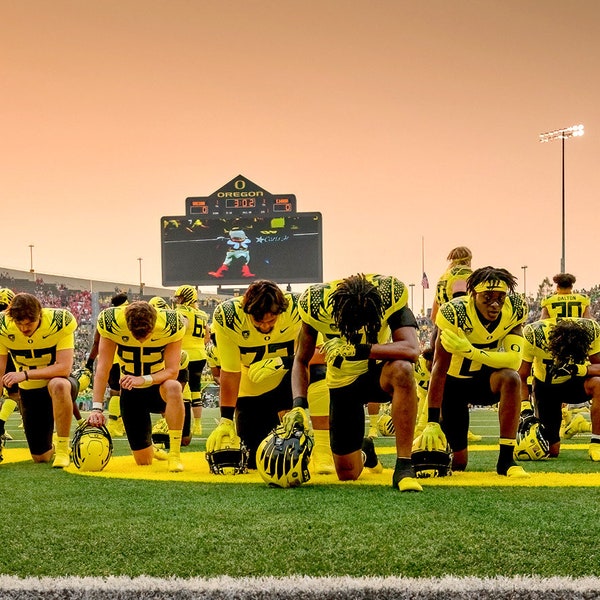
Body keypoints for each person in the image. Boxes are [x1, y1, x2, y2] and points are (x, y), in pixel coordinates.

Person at [291, 273, 423, 492]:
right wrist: (298, 405)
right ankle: (366, 451)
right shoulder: (314, 304)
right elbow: (301, 359)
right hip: (342, 382)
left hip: (377, 373)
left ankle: (404, 466)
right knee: (348, 473)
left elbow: (411, 349)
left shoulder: (389, 293)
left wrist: (359, 350)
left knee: (403, 370)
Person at [422, 267, 529, 477]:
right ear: (473, 295)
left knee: (511, 378)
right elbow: (439, 369)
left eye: (500, 298)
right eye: (487, 298)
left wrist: (470, 351)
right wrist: (432, 420)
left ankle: (506, 460)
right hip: (453, 384)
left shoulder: (514, 309)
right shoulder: (455, 312)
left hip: (483, 380)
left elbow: (514, 360)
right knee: (459, 462)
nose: (495, 304)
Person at [206, 280, 301, 469]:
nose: (265, 326)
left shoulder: (297, 309)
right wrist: (225, 418)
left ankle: (326, 445)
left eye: (271, 320)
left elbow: (320, 353)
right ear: (247, 311)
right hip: (252, 383)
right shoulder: (230, 316)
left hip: (291, 380)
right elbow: (231, 370)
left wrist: (284, 361)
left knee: (321, 373)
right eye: (259, 321)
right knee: (255, 460)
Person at [87, 301, 186, 472]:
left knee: (174, 387)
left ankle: (175, 454)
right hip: (131, 391)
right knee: (144, 461)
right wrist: (96, 408)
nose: (141, 339)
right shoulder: (111, 322)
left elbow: (172, 371)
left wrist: (144, 379)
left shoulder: (172, 323)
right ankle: (151, 448)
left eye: (146, 334)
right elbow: (103, 367)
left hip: (158, 385)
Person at [0, 293, 77, 468]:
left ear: (39, 315)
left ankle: (64, 448)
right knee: (40, 457)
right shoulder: (3, 327)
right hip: (30, 391)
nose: (23, 328)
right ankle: (53, 446)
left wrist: (25, 374)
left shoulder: (59, 321)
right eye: (19, 323)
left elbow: (64, 368)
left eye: (28, 323)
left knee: (58, 383)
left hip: (58, 383)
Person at [518, 317, 600, 460]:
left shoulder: (590, 330)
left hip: (574, 383)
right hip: (546, 388)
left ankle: (596, 443)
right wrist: (525, 409)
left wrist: (577, 369)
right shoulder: (534, 334)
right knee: (550, 451)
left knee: (599, 383)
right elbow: (521, 376)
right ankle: (576, 425)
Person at [85, 292, 129, 438]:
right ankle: (116, 423)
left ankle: (116, 423)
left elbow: (97, 341)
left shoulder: (107, 316)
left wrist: (90, 362)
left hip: (112, 358)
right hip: (129, 358)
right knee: (122, 391)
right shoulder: (131, 311)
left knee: (116, 391)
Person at [171, 285, 210, 437]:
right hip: (200, 354)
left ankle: (183, 426)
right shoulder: (201, 314)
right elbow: (207, 336)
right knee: (196, 389)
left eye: (180, 297)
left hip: (185, 355)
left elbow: (179, 331)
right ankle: (198, 425)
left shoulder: (181, 313)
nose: (178, 300)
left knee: (182, 390)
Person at [430, 246, 473, 324]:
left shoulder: (443, 277)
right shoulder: (463, 274)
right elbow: (460, 306)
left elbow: (433, 315)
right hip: (457, 327)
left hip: (442, 323)